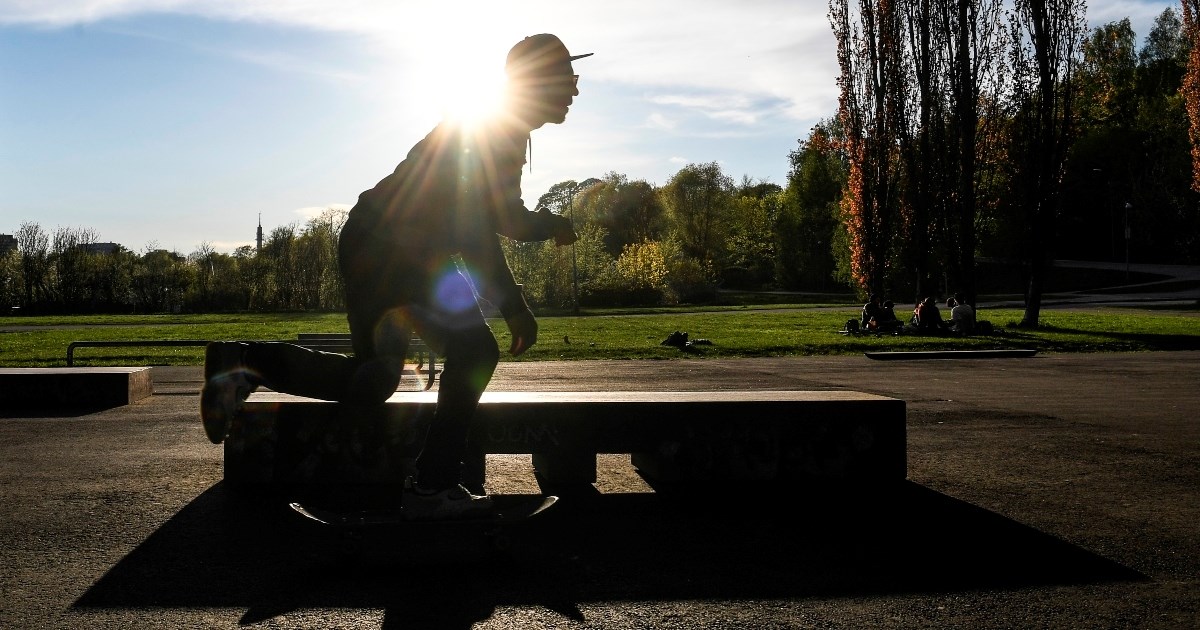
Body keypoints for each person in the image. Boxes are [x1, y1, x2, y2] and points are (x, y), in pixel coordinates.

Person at [199, 34, 589, 519]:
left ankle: (243, 362)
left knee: (374, 378)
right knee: (475, 349)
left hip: (371, 241)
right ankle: (432, 484)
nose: (575, 90)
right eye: (569, 79)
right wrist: (514, 306)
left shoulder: (498, 127)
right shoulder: (497, 131)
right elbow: (476, 233)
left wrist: (549, 225)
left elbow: (501, 216)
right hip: (400, 248)